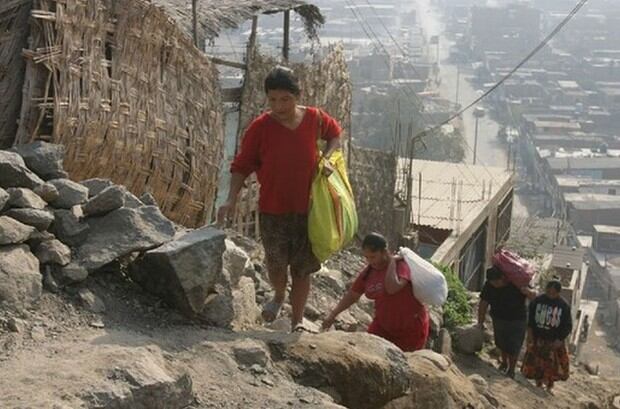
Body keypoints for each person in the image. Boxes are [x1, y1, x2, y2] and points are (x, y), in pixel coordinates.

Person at [217, 66, 342, 332]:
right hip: (273, 211)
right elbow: (241, 166)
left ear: (297, 96)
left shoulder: (315, 119)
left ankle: (297, 322)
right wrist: (230, 199)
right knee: (276, 267)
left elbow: (334, 135)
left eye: (285, 99)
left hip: (308, 211)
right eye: (272, 99)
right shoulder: (260, 128)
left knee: (302, 269)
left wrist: (328, 157)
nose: (278, 106)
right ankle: (278, 294)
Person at [322, 233, 429, 352]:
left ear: (384, 252)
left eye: (373, 257)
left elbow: (392, 287)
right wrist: (333, 315)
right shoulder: (368, 273)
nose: (370, 261)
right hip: (383, 327)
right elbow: (353, 295)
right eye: (366, 257)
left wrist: (392, 262)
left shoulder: (401, 265)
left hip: (410, 330)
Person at [478, 266, 536, 378]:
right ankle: (504, 363)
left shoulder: (517, 283)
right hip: (499, 318)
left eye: (496, 282)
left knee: (514, 346)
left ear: (503, 278)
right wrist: (480, 322)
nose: (495, 285)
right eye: (492, 282)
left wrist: (527, 292)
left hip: (517, 320)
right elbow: (483, 303)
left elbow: (534, 295)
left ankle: (512, 370)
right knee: (501, 343)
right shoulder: (489, 286)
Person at [522, 279, 573, 394]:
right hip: (538, 338)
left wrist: (560, 340)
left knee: (552, 365)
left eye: (553, 292)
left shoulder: (564, 306)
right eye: (548, 291)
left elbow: (568, 325)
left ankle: (549, 385)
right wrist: (530, 335)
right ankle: (538, 383)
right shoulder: (537, 301)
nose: (550, 294)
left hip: (554, 340)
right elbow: (530, 320)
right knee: (536, 363)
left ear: (558, 293)